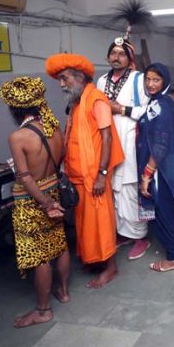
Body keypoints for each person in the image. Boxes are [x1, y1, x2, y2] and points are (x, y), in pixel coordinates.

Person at [45, 53, 125, 289]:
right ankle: (94, 260)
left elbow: (107, 136)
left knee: (100, 224)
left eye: (64, 78)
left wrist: (101, 174)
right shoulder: (77, 102)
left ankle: (110, 267)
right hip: (78, 177)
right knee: (84, 224)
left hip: (94, 177)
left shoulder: (97, 100)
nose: (61, 84)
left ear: (79, 77)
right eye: (59, 79)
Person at [0, 76, 71, 328]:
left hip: (34, 202)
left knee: (40, 257)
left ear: (13, 109)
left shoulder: (18, 137)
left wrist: (44, 203)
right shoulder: (54, 127)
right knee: (59, 244)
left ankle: (43, 310)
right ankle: (62, 291)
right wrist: (52, 201)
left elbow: (25, 176)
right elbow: (59, 159)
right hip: (54, 190)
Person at [136, 63, 174, 272]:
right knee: (173, 209)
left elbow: (160, 144)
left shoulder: (160, 105)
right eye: (148, 79)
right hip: (168, 168)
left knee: (164, 212)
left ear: (165, 82)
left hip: (161, 170)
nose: (151, 84)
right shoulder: (163, 102)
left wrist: (147, 173)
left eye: (156, 80)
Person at [96, 37, 151, 260]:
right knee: (113, 188)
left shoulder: (139, 79)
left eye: (121, 54)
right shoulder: (101, 80)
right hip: (108, 138)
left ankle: (141, 237)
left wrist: (121, 109)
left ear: (130, 59)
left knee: (129, 188)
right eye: (113, 53)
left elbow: (148, 110)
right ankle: (124, 233)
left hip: (131, 139)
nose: (116, 57)